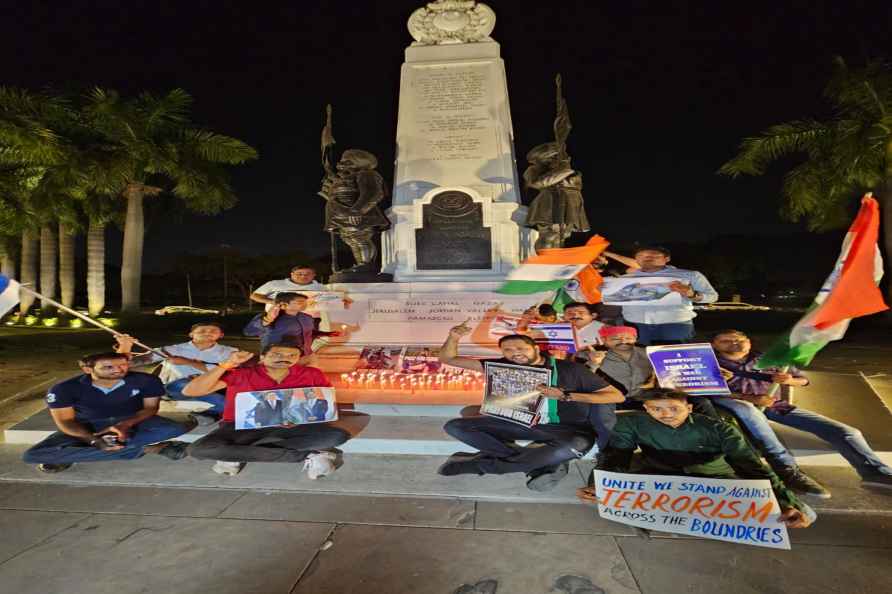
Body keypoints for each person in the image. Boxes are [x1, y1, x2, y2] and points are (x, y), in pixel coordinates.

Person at [577, 388, 812, 529]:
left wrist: (785, 502)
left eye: (673, 408)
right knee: (615, 496)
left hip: (714, 477)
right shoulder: (632, 422)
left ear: (689, 408)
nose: (665, 415)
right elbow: (615, 456)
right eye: (656, 409)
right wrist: (598, 485)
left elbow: (751, 466)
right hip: (659, 474)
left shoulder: (721, 428)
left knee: (800, 514)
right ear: (646, 409)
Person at [437, 322, 624, 491]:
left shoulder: (571, 369)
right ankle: (536, 463)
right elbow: (448, 359)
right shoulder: (499, 365)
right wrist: (453, 336)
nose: (515, 353)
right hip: (518, 422)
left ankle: (480, 465)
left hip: (566, 428)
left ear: (535, 348)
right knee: (454, 426)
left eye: (521, 348)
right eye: (508, 350)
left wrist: (566, 395)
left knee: (570, 449)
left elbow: (616, 395)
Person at [711, 330, 892, 493]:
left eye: (740, 338)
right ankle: (787, 469)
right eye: (725, 340)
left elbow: (803, 380)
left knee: (847, 432)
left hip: (775, 405)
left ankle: (875, 472)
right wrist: (748, 398)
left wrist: (789, 380)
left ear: (749, 342)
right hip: (733, 407)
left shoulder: (771, 359)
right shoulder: (708, 361)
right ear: (714, 344)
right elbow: (701, 390)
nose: (734, 342)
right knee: (749, 413)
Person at [182, 341, 349, 479]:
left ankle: (237, 453)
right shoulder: (242, 374)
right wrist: (225, 365)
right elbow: (191, 391)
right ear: (262, 357)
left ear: (298, 359)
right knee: (198, 449)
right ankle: (306, 455)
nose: (285, 359)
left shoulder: (311, 374)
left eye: (292, 356)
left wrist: (314, 418)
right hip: (242, 427)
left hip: (294, 426)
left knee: (337, 435)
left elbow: (324, 402)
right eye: (277, 354)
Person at [22, 352, 192, 473]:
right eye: (108, 367)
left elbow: (150, 409)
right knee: (32, 455)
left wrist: (124, 425)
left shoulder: (146, 380)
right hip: (87, 426)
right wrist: (94, 440)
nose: (118, 370)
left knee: (176, 429)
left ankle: (80, 454)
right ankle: (148, 449)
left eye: (122, 365)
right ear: (88, 369)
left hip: (132, 421)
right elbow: (66, 422)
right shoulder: (63, 389)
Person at [581, 325, 721, 419]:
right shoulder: (588, 355)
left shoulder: (655, 353)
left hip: (652, 396)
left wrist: (711, 371)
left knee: (702, 402)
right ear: (604, 340)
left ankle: (717, 433)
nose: (623, 341)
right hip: (616, 399)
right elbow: (581, 380)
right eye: (616, 338)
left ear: (635, 339)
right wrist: (594, 363)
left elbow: (687, 367)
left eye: (628, 338)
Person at [113, 322, 237, 422]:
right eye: (202, 331)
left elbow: (232, 373)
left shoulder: (230, 352)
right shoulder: (172, 350)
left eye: (213, 331)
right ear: (191, 334)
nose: (207, 333)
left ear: (221, 335)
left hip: (213, 387)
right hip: (177, 388)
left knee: (232, 396)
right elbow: (126, 364)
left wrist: (188, 362)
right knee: (185, 383)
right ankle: (216, 412)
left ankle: (210, 413)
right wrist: (125, 346)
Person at [618, 246, 718, 345]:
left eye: (654, 255)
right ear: (636, 259)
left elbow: (712, 297)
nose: (647, 258)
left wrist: (692, 294)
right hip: (635, 324)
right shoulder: (624, 279)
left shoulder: (690, 275)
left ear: (667, 259)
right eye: (641, 255)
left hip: (675, 324)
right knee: (639, 357)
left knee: (675, 358)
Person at [243, 292, 339, 354]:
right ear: (283, 304)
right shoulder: (269, 317)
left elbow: (308, 334)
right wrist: (268, 319)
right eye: (300, 302)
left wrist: (326, 334)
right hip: (277, 357)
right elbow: (249, 332)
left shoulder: (307, 318)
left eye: (306, 302)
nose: (305, 304)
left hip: (305, 355)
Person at [250, 266, 324, 310]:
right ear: (292, 274)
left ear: (314, 275)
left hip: (310, 319)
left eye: (308, 274)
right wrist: (274, 302)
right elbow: (254, 296)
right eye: (299, 274)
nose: (303, 276)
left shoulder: (320, 287)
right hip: (277, 318)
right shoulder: (275, 283)